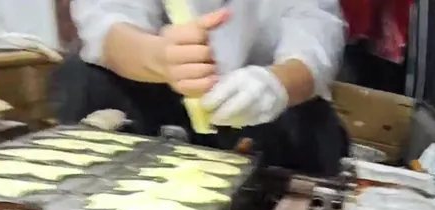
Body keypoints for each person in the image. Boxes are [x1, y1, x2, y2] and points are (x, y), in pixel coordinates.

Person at [58, 0, 348, 174]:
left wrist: (275, 84)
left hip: (262, 112)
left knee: (314, 123)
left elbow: (316, 40)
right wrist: (161, 58)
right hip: (156, 94)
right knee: (83, 76)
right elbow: (107, 25)